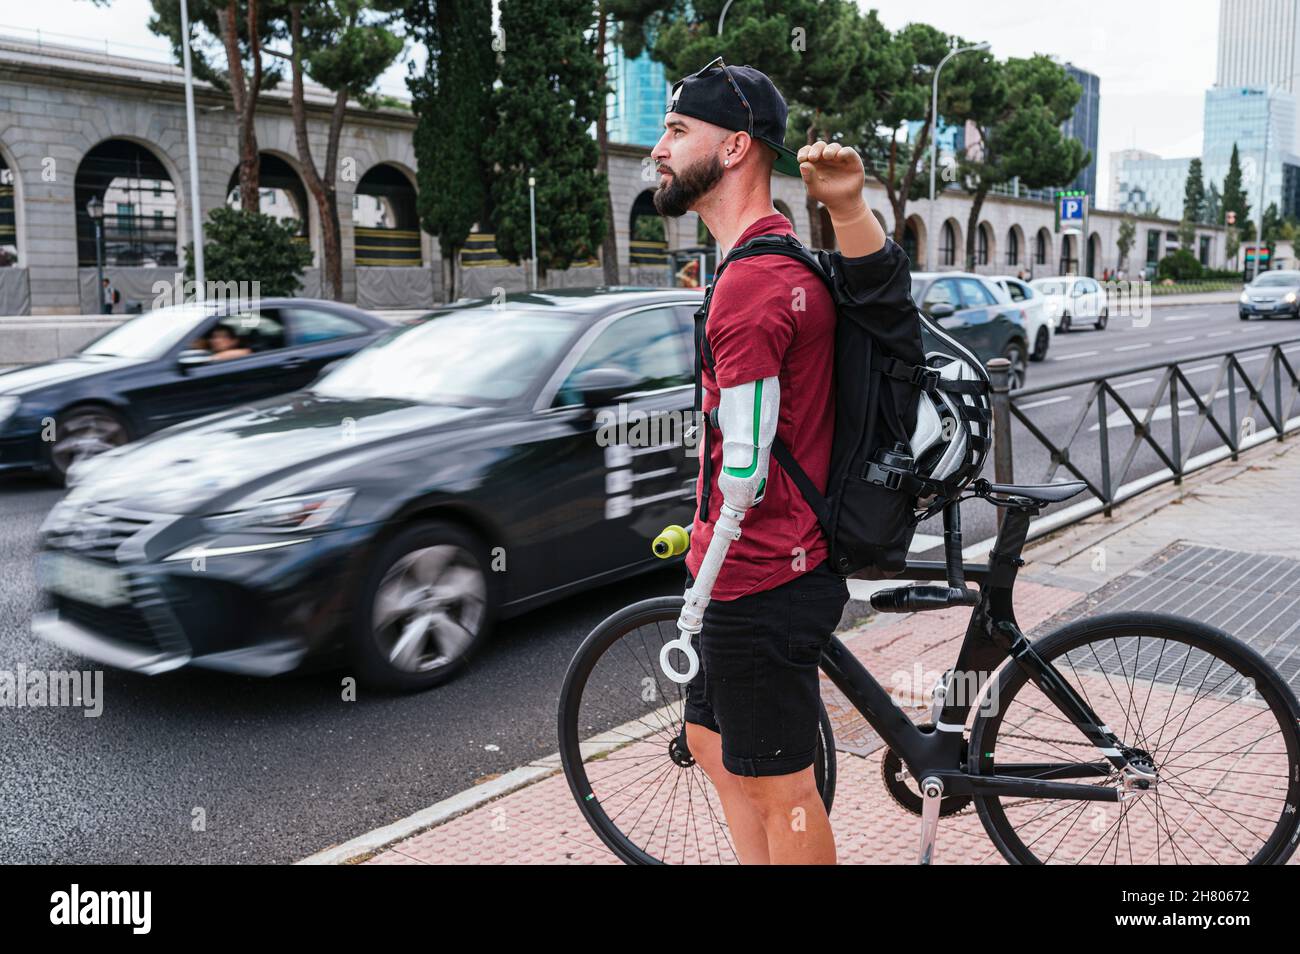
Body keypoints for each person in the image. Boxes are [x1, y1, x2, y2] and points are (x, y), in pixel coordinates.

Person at [650, 58, 887, 865]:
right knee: (713, 748)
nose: (659, 148)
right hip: (751, 571)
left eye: (678, 131)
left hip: (758, 581)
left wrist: (697, 599)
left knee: (782, 791)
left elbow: (746, 471)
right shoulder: (773, 258)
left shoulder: (750, 289)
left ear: (736, 147)